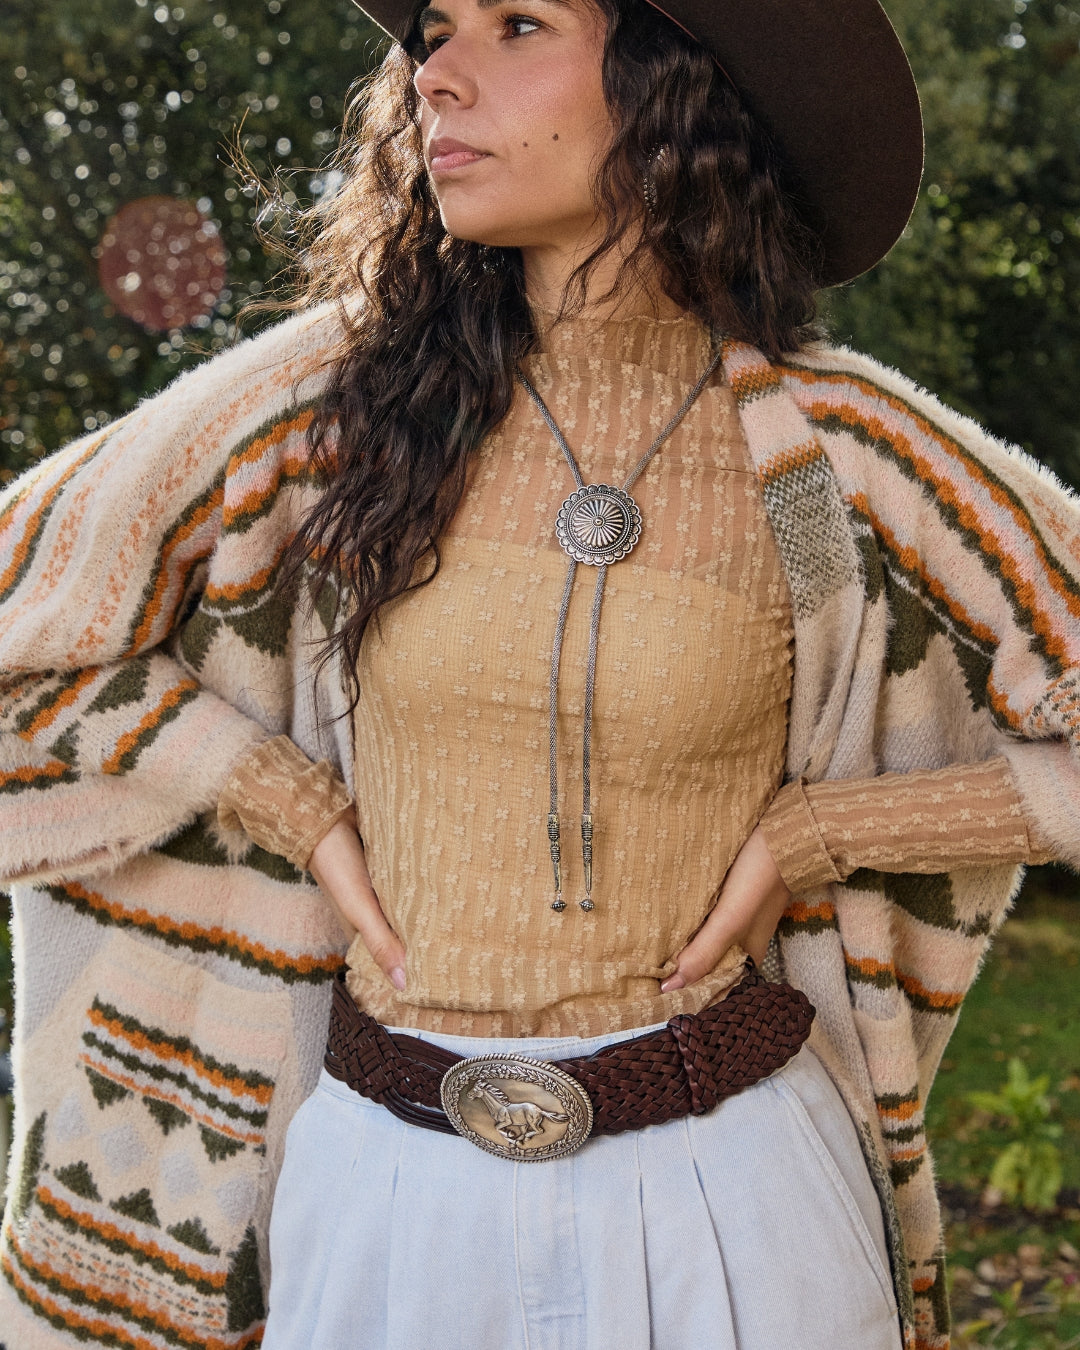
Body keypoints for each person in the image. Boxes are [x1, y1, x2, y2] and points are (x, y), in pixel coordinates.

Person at [0, 0, 1077, 1347]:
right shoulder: (332, 409)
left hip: (736, 1201)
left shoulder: (833, 447)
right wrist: (271, 789)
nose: (436, 76)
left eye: (517, 24)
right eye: (434, 32)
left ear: (678, 87)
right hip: (386, 1193)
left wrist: (827, 831)